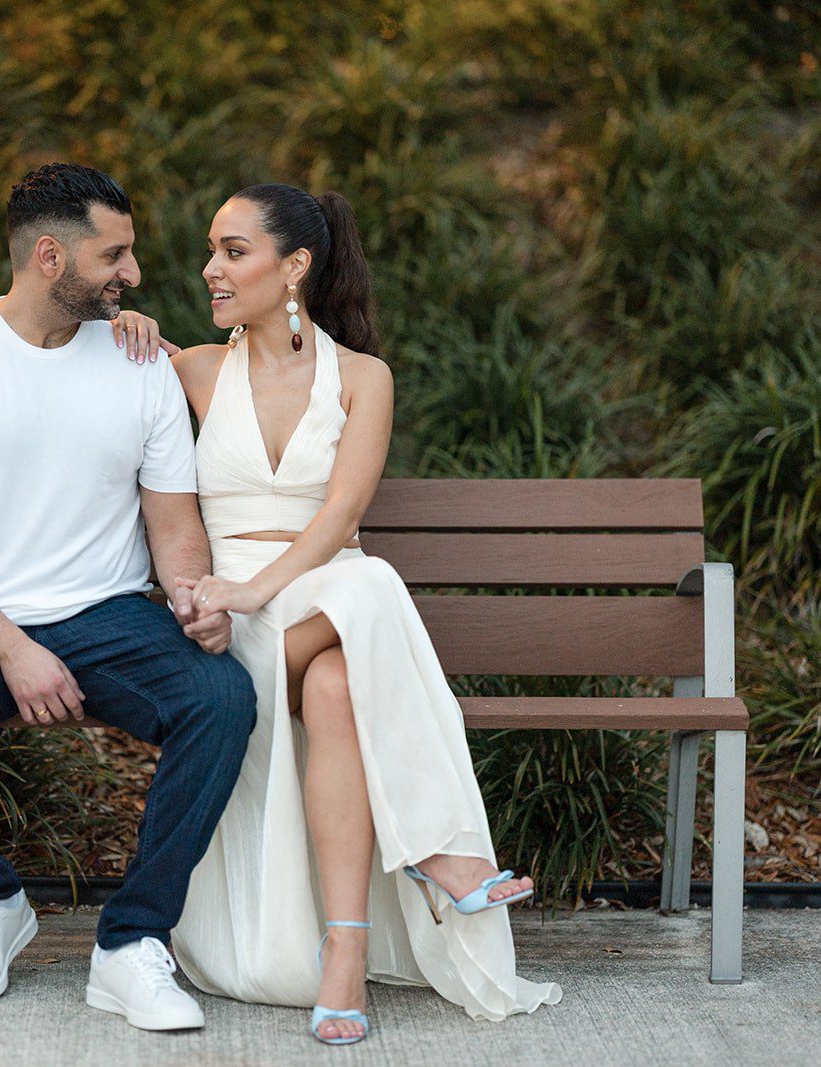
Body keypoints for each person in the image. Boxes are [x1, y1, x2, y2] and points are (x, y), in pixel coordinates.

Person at [121, 184, 562, 1044]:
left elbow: (339, 517)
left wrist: (255, 588)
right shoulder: (193, 371)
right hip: (235, 629)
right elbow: (99, 393)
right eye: (211, 250)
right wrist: (126, 329)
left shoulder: (363, 379)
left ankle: (344, 958)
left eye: (233, 251)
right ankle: (438, 851)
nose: (211, 269)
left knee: (338, 669)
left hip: (322, 600)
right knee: (375, 591)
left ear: (294, 266)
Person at [0, 163, 257, 1033]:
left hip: (107, 614)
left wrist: (194, 597)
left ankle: (132, 942)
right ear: (51, 257)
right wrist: (13, 647)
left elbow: (173, 522)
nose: (133, 272)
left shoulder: (139, 361)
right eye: (115, 255)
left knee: (221, 698)